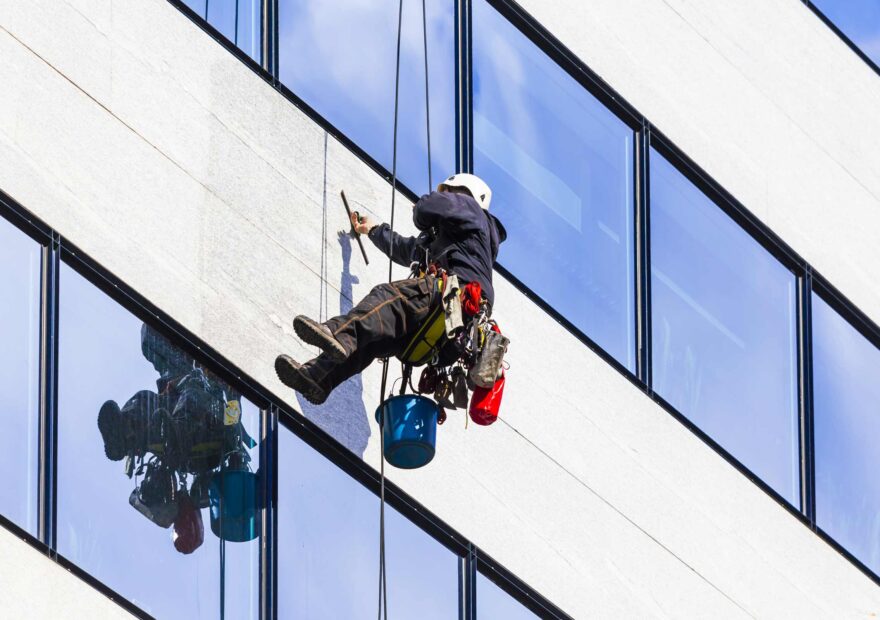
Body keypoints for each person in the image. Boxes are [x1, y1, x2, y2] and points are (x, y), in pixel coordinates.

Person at [275, 173, 506, 405]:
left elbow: (425, 209)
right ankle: (318, 377)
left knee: (387, 297)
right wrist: (374, 229)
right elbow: (407, 250)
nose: (444, 196)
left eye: (447, 192)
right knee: (372, 341)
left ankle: (336, 333)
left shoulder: (471, 208)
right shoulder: (457, 240)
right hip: (448, 331)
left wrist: (432, 205)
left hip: (452, 296)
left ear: (460, 193)